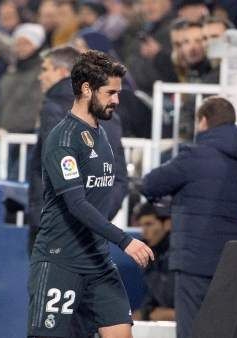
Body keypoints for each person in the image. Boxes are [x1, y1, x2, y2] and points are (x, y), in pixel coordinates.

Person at [28, 50, 154, 338]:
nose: (117, 100)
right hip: (61, 260)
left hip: (98, 262)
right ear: (86, 89)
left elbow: (116, 184)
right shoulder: (63, 138)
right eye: (110, 92)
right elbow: (76, 203)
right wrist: (124, 241)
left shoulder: (103, 133)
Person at [141, 96, 237, 338]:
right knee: (223, 331)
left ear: (203, 121)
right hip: (232, 262)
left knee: (192, 331)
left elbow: (150, 184)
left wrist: (172, 199)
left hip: (194, 260)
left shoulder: (194, 155)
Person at [27, 46, 129, 254]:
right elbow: (119, 178)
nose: (40, 76)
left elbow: (55, 167)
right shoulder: (112, 115)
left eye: (46, 69)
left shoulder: (53, 108)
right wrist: (98, 217)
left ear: (63, 73)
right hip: (94, 230)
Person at [132, 201, 175, 321]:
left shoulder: (183, 257)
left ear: (167, 224)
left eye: (149, 224)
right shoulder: (150, 257)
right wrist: (145, 313)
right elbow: (151, 298)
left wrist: (175, 314)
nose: (143, 232)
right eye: (142, 226)